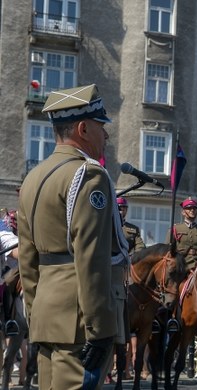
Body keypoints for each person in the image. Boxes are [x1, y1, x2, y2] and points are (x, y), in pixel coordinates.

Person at [18, 84, 129, 389]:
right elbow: (91, 257)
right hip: (80, 321)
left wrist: (35, 314)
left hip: (46, 317)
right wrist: (101, 328)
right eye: (101, 127)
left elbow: (28, 261)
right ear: (83, 128)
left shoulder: (32, 178)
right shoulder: (88, 175)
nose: (106, 136)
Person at [171, 197, 197, 271]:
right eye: (189, 208)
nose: (192, 210)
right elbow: (169, 250)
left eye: (194, 208)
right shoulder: (175, 229)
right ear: (183, 212)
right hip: (180, 267)